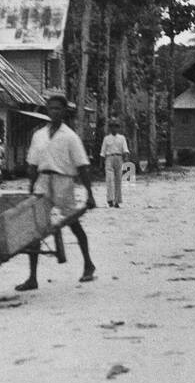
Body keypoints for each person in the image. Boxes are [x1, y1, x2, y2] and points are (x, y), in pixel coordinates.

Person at [16, 92, 95, 292]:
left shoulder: (70, 137)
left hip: (63, 182)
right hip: (42, 181)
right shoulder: (39, 135)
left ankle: (88, 264)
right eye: (51, 108)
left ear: (64, 111)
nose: (54, 112)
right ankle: (32, 277)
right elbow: (32, 165)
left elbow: (83, 167)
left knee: (73, 224)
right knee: (35, 229)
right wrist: (31, 188)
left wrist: (89, 193)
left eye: (58, 109)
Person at [100, 118, 130, 208]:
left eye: (116, 126)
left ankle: (117, 201)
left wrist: (126, 160)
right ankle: (110, 200)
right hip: (109, 158)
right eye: (112, 126)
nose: (114, 128)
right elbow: (103, 152)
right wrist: (101, 164)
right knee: (110, 180)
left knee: (118, 180)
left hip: (119, 158)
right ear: (109, 128)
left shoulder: (122, 138)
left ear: (118, 128)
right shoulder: (106, 138)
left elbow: (125, 150)